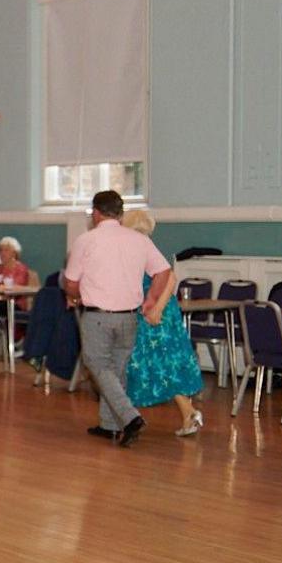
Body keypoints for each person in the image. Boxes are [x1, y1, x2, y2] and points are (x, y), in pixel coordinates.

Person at [62, 190, 172, 447]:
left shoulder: (86, 240)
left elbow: (70, 281)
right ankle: (110, 426)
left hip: (98, 317)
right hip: (129, 318)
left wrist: (74, 296)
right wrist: (152, 299)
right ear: (120, 214)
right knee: (117, 371)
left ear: (96, 213)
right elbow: (163, 271)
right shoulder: (138, 240)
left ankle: (131, 417)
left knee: (98, 366)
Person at [121, 210, 204, 437]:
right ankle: (187, 413)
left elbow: (170, 278)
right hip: (154, 310)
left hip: (155, 313)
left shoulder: (141, 245)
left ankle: (128, 417)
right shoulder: (142, 244)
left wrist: (156, 310)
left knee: (154, 363)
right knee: (160, 363)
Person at [0, 236, 33, 313]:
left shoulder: (21, 269)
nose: (2, 253)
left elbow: (15, 291)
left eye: (6, 250)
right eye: (0, 250)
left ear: (14, 253)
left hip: (12, 303)